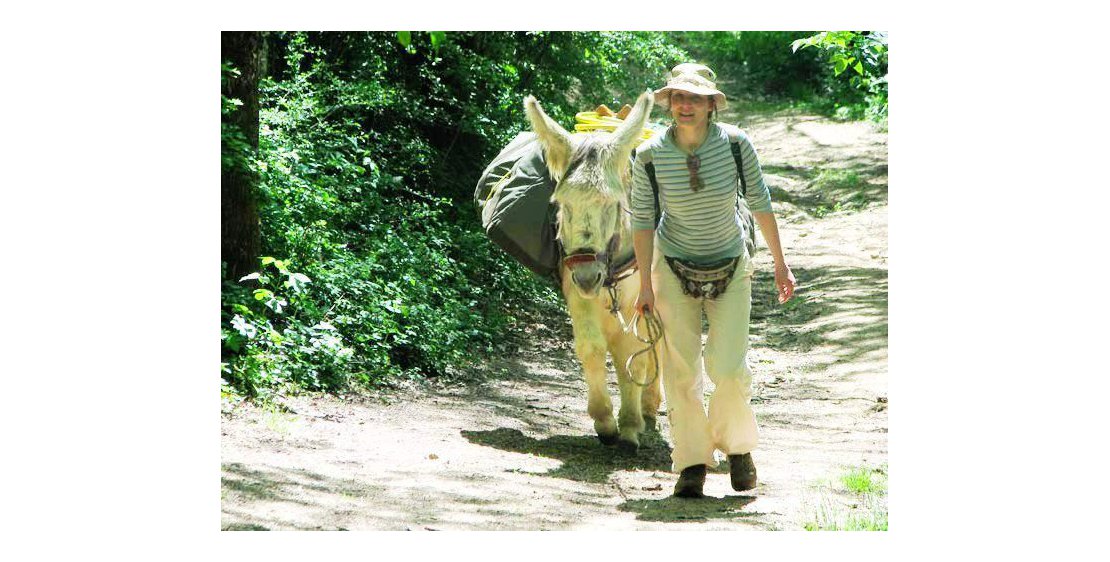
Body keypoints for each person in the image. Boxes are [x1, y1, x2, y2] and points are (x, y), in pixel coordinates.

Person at [630, 63, 797, 498]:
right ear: (669, 103)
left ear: (710, 105)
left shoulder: (738, 146)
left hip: (730, 265)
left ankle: (738, 450)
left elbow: (760, 202)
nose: (686, 105)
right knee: (681, 370)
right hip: (672, 268)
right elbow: (643, 222)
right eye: (678, 98)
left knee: (727, 366)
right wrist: (645, 285)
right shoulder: (648, 155)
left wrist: (780, 263)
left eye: (695, 98)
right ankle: (691, 463)